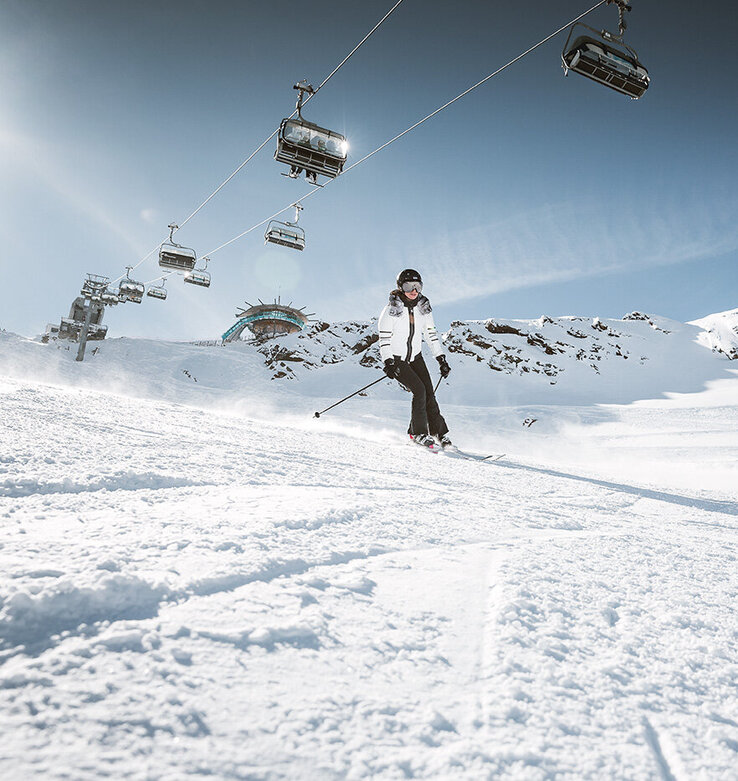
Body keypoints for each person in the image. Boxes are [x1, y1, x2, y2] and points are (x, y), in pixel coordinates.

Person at [378, 268, 452, 450]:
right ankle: (418, 433)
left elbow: (431, 334)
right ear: (400, 287)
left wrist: (441, 359)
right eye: (408, 286)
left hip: (415, 357)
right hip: (398, 359)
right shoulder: (391, 310)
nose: (414, 290)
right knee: (419, 391)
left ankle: (439, 434)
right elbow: (384, 339)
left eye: (417, 286)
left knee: (429, 392)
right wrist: (388, 362)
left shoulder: (423, 308)